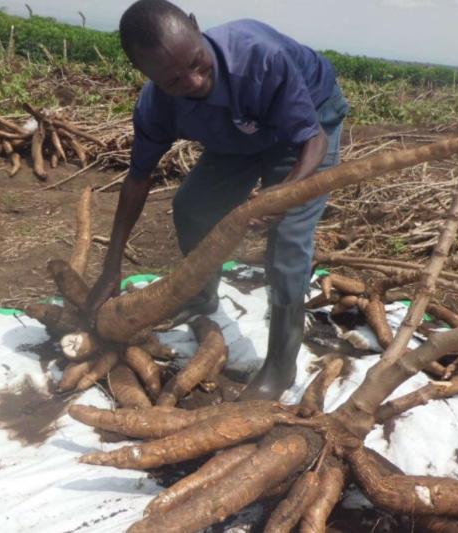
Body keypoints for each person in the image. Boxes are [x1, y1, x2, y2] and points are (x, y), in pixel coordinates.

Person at [86, 0, 348, 400]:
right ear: (146, 74)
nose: (193, 81)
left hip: (310, 121)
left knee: (288, 242)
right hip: (237, 128)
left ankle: (280, 366)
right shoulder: (157, 105)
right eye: (174, 80)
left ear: (195, 26)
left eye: (197, 62)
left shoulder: (259, 59)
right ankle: (202, 297)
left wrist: (281, 193)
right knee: (193, 207)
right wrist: (112, 266)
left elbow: (312, 139)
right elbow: (138, 178)